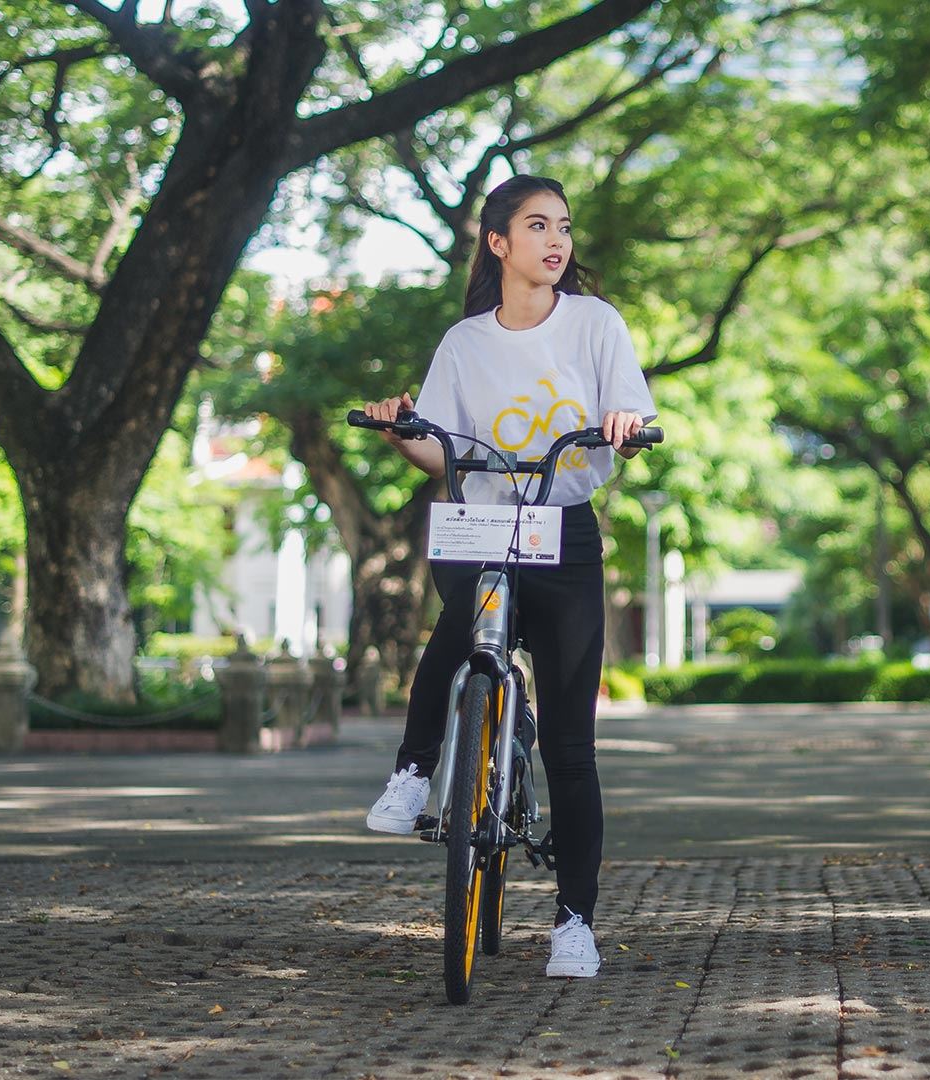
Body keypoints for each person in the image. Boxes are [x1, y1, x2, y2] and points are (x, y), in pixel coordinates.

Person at [360, 174, 657, 979]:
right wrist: (400, 431)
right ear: (498, 243)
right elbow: (441, 450)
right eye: (537, 226)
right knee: (458, 633)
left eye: (563, 227)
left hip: (563, 533)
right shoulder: (464, 343)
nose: (556, 241)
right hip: (483, 529)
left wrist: (625, 427)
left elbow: (630, 416)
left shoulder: (595, 323)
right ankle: (414, 771)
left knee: (570, 744)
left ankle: (574, 924)